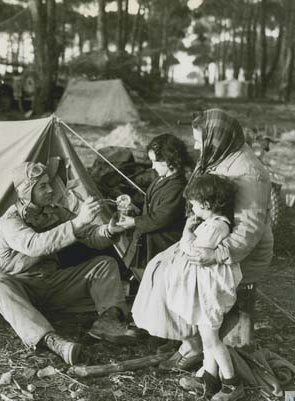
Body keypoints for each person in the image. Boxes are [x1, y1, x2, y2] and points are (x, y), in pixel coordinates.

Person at [129, 109, 273, 399]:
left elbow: (248, 230)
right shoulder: (223, 155)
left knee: (186, 293)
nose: (196, 147)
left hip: (233, 251)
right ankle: (197, 352)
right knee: (160, 268)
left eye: (199, 141)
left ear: (216, 140)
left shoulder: (249, 172)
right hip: (211, 240)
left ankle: (221, 372)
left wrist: (214, 255)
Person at [0, 161, 140, 366]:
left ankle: (108, 321)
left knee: (104, 263)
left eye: (49, 183)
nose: (50, 189)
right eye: (42, 186)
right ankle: (52, 341)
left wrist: (110, 230)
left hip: (53, 283)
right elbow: (34, 245)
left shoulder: (55, 212)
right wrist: (77, 222)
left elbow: (91, 237)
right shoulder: (10, 220)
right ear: (25, 191)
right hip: (23, 288)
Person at [162, 174, 244, 400]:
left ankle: (232, 383)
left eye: (195, 205)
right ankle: (209, 378)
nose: (192, 209)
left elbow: (191, 250)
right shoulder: (211, 223)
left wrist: (187, 231)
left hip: (211, 295)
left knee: (211, 340)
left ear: (207, 205)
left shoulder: (216, 227)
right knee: (206, 336)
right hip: (205, 291)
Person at [119, 133, 193, 267]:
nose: (152, 166)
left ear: (170, 160)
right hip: (150, 239)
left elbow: (162, 217)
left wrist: (134, 222)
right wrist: (135, 208)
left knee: (155, 273)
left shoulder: (178, 187)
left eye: (156, 162)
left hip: (162, 244)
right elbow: (152, 203)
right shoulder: (161, 178)